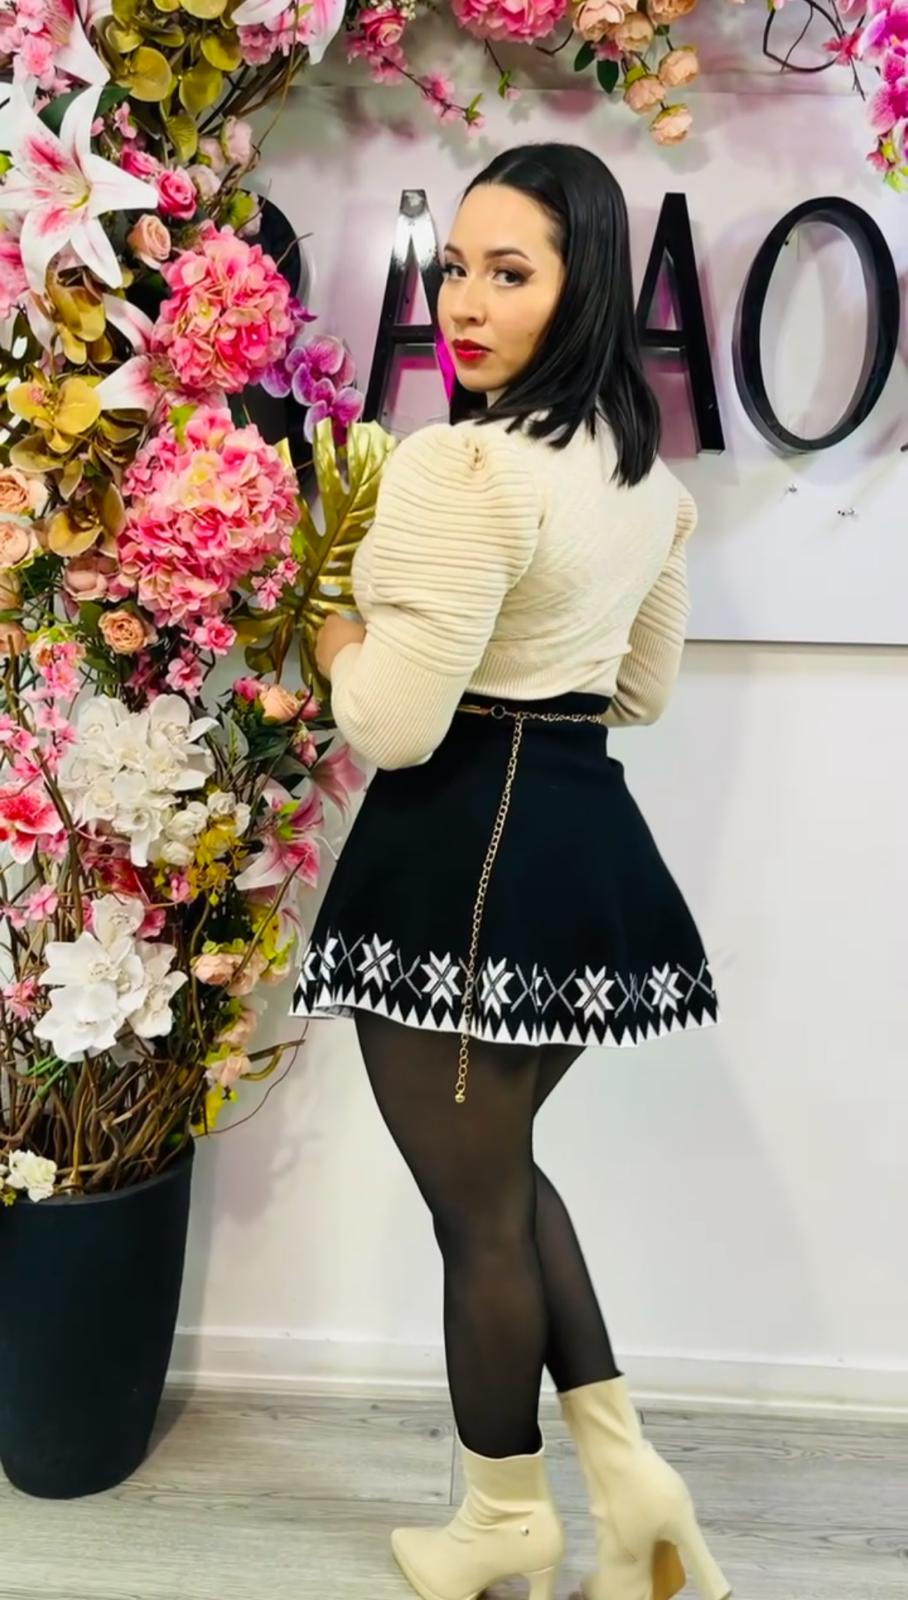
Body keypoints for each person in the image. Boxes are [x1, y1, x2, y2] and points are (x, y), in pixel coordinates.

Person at [292, 143, 730, 1600]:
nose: (465, 303)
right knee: (501, 1181)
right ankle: (629, 1482)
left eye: (511, 272)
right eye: (456, 268)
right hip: (580, 851)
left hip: (459, 861)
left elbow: (392, 724)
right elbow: (639, 692)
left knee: (475, 1211)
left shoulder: (460, 464)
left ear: (582, 285)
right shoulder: (648, 484)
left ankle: (500, 1520)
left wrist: (332, 631)